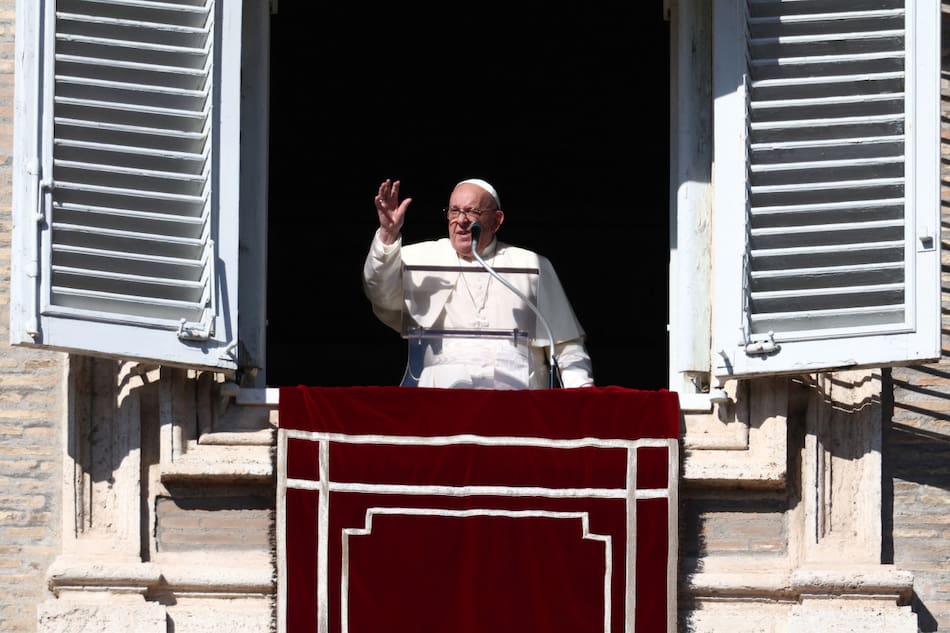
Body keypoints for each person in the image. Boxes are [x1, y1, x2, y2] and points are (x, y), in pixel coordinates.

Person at [362, 177, 594, 389]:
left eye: (472, 211)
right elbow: (379, 289)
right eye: (454, 211)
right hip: (441, 395)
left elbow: (566, 344)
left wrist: (581, 393)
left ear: (496, 220)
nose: (461, 221)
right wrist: (388, 235)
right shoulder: (422, 258)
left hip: (516, 398)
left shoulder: (530, 264)